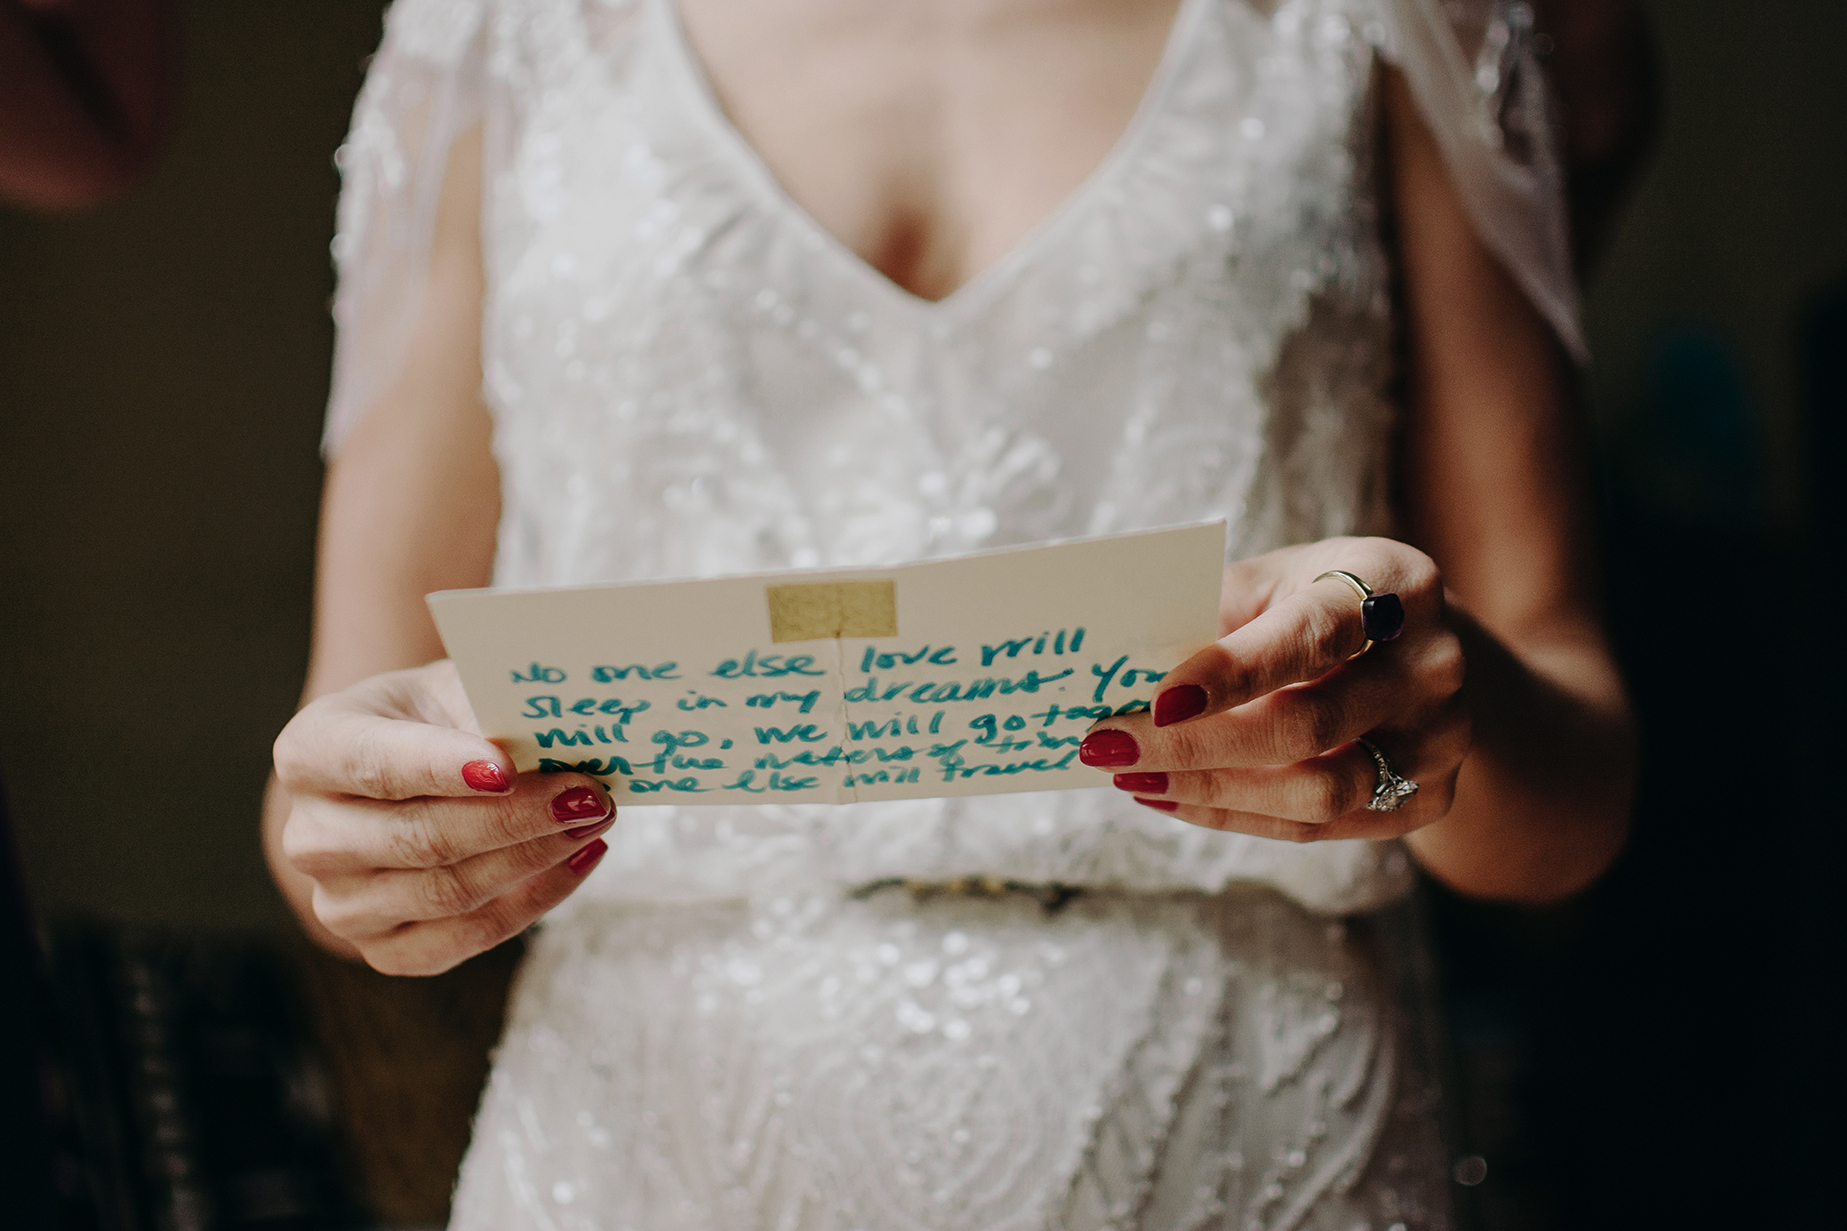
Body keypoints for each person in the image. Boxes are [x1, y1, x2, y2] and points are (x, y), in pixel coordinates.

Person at [266, 0, 1636, 1225]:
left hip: (1247, 1131)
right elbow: (333, 767)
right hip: (648, 1147)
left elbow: (1570, 785)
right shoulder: (501, 35)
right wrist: (382, 838)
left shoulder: (1397, 21)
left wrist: (1442, 717)